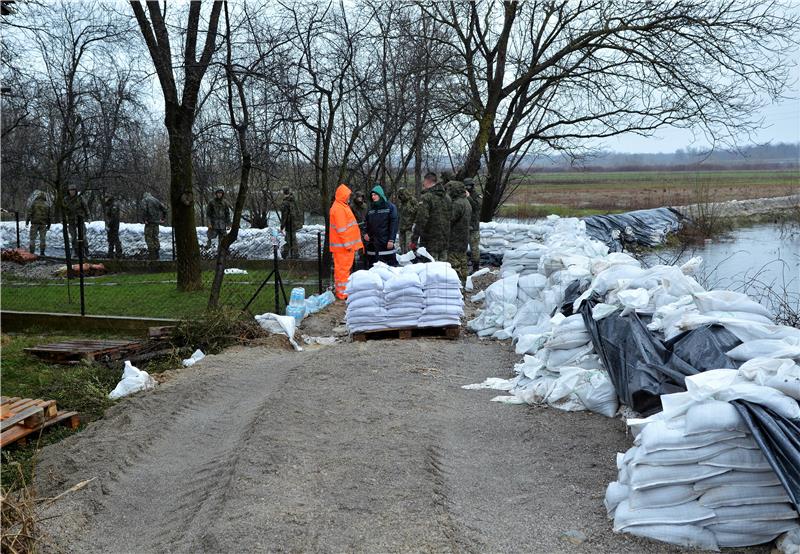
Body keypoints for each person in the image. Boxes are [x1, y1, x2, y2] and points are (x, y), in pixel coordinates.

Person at [329, 184, 363, 300]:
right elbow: (342, 230)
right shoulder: (339, 208)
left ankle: (341, 291)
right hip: (343, 247)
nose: (349, 197)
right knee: (343, 270)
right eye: (347, 195)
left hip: (343, 247)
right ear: (343, 196)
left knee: (342, 270)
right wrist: (348, 244)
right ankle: (342, 293)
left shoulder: (341, 206)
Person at [410, 172, 451, 261]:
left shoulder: (427, 197)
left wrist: (414, 239)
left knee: (430, 269)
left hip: (429, 241)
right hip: (445, 239)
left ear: (427, 181)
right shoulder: (447, 197)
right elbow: (451, 217)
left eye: (423, 181)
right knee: (443, 269)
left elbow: (421, 220)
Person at [364, 184, 399, 268]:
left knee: (390, 267)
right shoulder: (371, 209)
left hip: (386, 243)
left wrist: (391, 240)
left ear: (380, 195)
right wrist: (365, 233)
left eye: (375, 194)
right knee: (372, 267)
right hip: (372, 244)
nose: (373, 197)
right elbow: (366, 223)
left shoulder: (390, 207)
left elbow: (393, 224)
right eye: (372, 195)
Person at [447, 181, 472, 283]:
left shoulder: (457, 203)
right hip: (463, 239)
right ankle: (463, 285)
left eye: (450, 190)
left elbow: (449, 219)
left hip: (455, 240)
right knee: (463, 263)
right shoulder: (466, 202)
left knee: (454, 264)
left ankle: (458, 288)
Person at [63, 183, 89, 258]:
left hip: (80, 219)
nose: (72, 191)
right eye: (71, 190)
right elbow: (64, 210)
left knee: (83, 236)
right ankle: (75, 251)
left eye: (74, 190)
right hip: (71, 221)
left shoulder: (80, 198)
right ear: (68, 191)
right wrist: (64, 219)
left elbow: (85, 207)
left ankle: (86, 250)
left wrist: (88, 216)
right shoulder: (66, 199)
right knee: (73, 237)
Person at [141, 192, 167, 260]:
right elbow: (164, 209)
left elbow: (144, 210)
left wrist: (144, 219)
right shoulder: (156, 200)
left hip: (149, 222)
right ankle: (157, 253)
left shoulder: (145, 200)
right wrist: (163, 218)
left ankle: (152, 255)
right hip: (156, 222)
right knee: (155, 237)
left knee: (148, 237)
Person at [279, 187, 302, 259]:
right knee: (290, 238)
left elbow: (284, 216)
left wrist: (282, 226)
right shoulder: (293, 200)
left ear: (283, 192)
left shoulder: (285, 202)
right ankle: (288, 254)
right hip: (295, 223)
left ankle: (292, 254)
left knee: (290, 239)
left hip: (289, 224)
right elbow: (298, 212)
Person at [464, 177, 481, 271]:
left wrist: (468, 197)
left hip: (473, 227)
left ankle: (476, 268)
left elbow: (477, 206)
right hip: (464, 226)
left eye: (469, 186)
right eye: (466, 186)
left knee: (474, 248)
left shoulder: (476, 195)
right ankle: (464, 265)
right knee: (462, 248)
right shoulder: (462, 195)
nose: (467, 187)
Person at [26, 191, 50, 256]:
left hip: (34, 223)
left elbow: (29, 213)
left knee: (32, 238)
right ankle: (42, 252)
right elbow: (49, 215)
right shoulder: (47, 205)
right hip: (43, 223)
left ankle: (32, 252)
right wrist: (49, 224)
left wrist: (27, 221)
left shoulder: (34, 203)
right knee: (43, 238)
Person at [396, 187, 417, 254]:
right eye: (399, 195)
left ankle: (411, 259)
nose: (400, 197)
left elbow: (417, 212)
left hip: (410, 227)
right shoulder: (401, 203)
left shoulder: (412, 201)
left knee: (409, 245)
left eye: (402, 195)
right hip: (402, 227)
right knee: (402, 245)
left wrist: (415, 223)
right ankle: (404, 259)